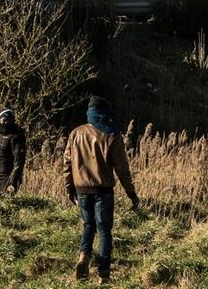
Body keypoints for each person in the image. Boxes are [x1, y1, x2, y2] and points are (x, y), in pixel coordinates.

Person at [63, 96, 139, 284]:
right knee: (104, 230)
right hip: (103, 191)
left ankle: (84, 257)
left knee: (88, 225)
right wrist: (131, 194)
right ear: (105, 113)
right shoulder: (112, 134)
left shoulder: (75, 133)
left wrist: (69, 188)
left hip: (81, 189)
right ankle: (104, 275)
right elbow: (122, 169)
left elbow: (66, 163)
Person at [0, 108, 27, 195]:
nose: (6, 123)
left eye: (9, 120)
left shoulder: (16, 136)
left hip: (7, 178)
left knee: (5, 205)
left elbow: (19, 162)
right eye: (4, 120)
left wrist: (13, 182)